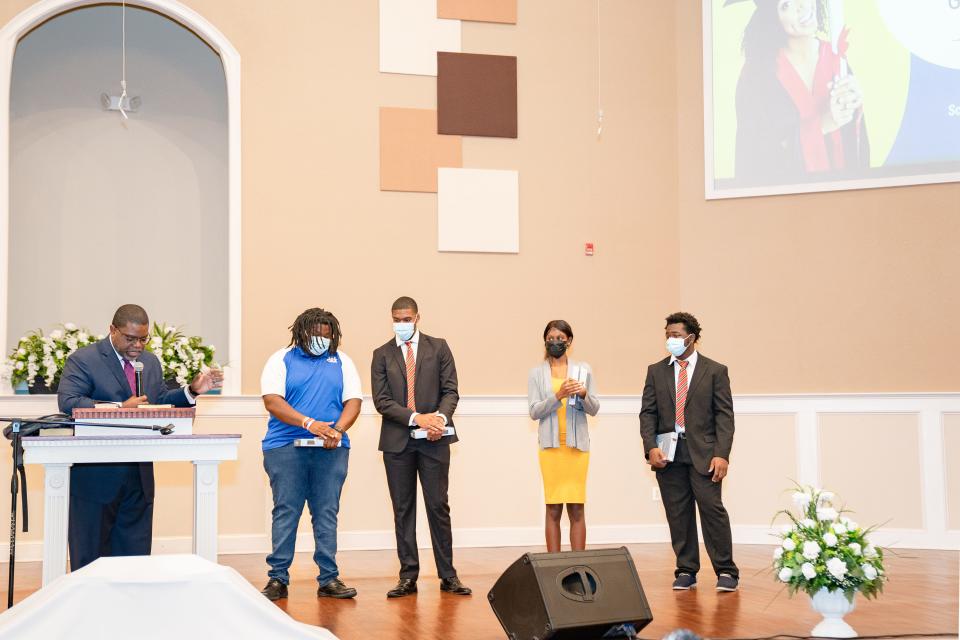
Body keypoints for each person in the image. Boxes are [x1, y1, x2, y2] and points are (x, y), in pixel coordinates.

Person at [57, 304, 221, 570]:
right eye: (130, 338)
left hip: (139, 477)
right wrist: (120, 408)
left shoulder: (150, 362)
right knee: (90, 561)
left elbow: (159, 401)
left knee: (134, 562)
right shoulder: (84, 359)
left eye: (143, 339)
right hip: (95, 478)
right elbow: (68, 402)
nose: (137, 345)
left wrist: (191, 391)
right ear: (112, 330)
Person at [371, 296, 471, 598]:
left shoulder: (438, 347)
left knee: (438, 506)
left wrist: (438, 420)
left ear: (417, 318)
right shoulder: (381, 354)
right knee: (403, 509)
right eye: (396, 319)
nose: (402, 324)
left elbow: (450, 390)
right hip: (397, 442)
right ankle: (408, 575)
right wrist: (418, 419)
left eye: (407, 319)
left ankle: (448, 575)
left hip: (435, 440)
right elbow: (382, 401)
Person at [259, 308, 362, 601]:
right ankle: (278, 578)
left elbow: (353, 401)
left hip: (331, 448)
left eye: (327, 336)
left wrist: (337, 430)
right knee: (286, 511)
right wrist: (309, 424)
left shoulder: (342, 361)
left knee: (326, 512)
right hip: (285, 446)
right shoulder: (281, 358)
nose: (321, 340)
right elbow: (272, 401)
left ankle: (329, 579)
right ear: (302, 332)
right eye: (316, 334)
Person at [639, 312, 738, 592]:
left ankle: (727, 571)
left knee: (712, 510)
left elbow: (724, 416)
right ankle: (686, 569)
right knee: (677, 513)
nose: (670, 340)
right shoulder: (656, 371)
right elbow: (647, 413)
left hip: (704, 454)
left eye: (676, 335)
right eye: (667, 335)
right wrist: (650, 447)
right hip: (668, 455)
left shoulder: (715, 370)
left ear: (692, 338)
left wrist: (722, 454)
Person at [730, 0, 869, 186]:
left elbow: (856, 151)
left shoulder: (836, 59)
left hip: (842, 198)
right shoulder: (756, 75)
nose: (802, 6)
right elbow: (755, 160)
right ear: (773, 18)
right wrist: (822, 125)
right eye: (786, 4)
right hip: (789, 206)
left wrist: (853, 106)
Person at [527, 320, 599, 552]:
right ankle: (554, 564)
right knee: (553, 508)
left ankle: (578, 562)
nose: (555, 342)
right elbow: (534, 411)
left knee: (577, 508)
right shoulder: (537, 373)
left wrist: (584, 393)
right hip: (551, 449)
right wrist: (558, 395)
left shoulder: (583, 369)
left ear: (569, 341)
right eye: (550, 338)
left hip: (577, 448)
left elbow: (594, 408)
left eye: (560, 338)